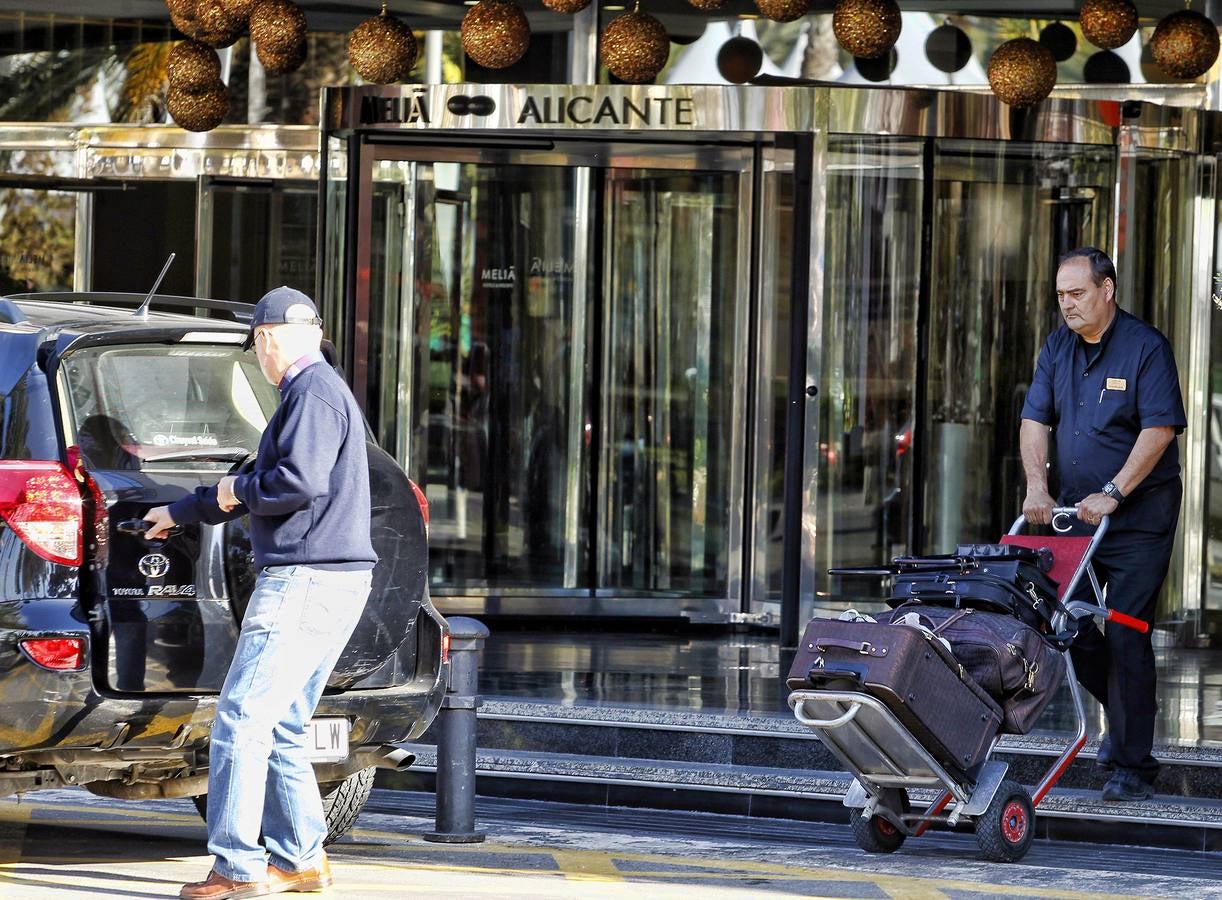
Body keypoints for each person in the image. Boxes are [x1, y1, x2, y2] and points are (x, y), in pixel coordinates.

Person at [143, 286, 377, 899]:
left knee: (241, 719)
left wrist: (230, 495)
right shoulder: (320, 391)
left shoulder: (313, 393)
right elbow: (266, 479)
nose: (259, 357)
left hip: (305, 578)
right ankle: (301, 860)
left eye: (256, 345)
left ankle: (237, 868)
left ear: (268, 337)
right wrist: (186, 508)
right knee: (287, 724)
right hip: (331, 578)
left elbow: (293, 482)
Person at [1019, 247, 1185, 803]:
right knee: (1066, 624)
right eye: (1061, 296)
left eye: (1077, 294)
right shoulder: (1057, 346)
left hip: (1139, 518)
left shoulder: (1146, 348)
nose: (1066, 305)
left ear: (1107, 289)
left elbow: (1160, 429)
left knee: (1126, 631)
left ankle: (1133, 765)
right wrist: (1038, 487)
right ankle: (1123, 723)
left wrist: (1115, 491)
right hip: (1075, 516)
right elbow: (1035, 418)